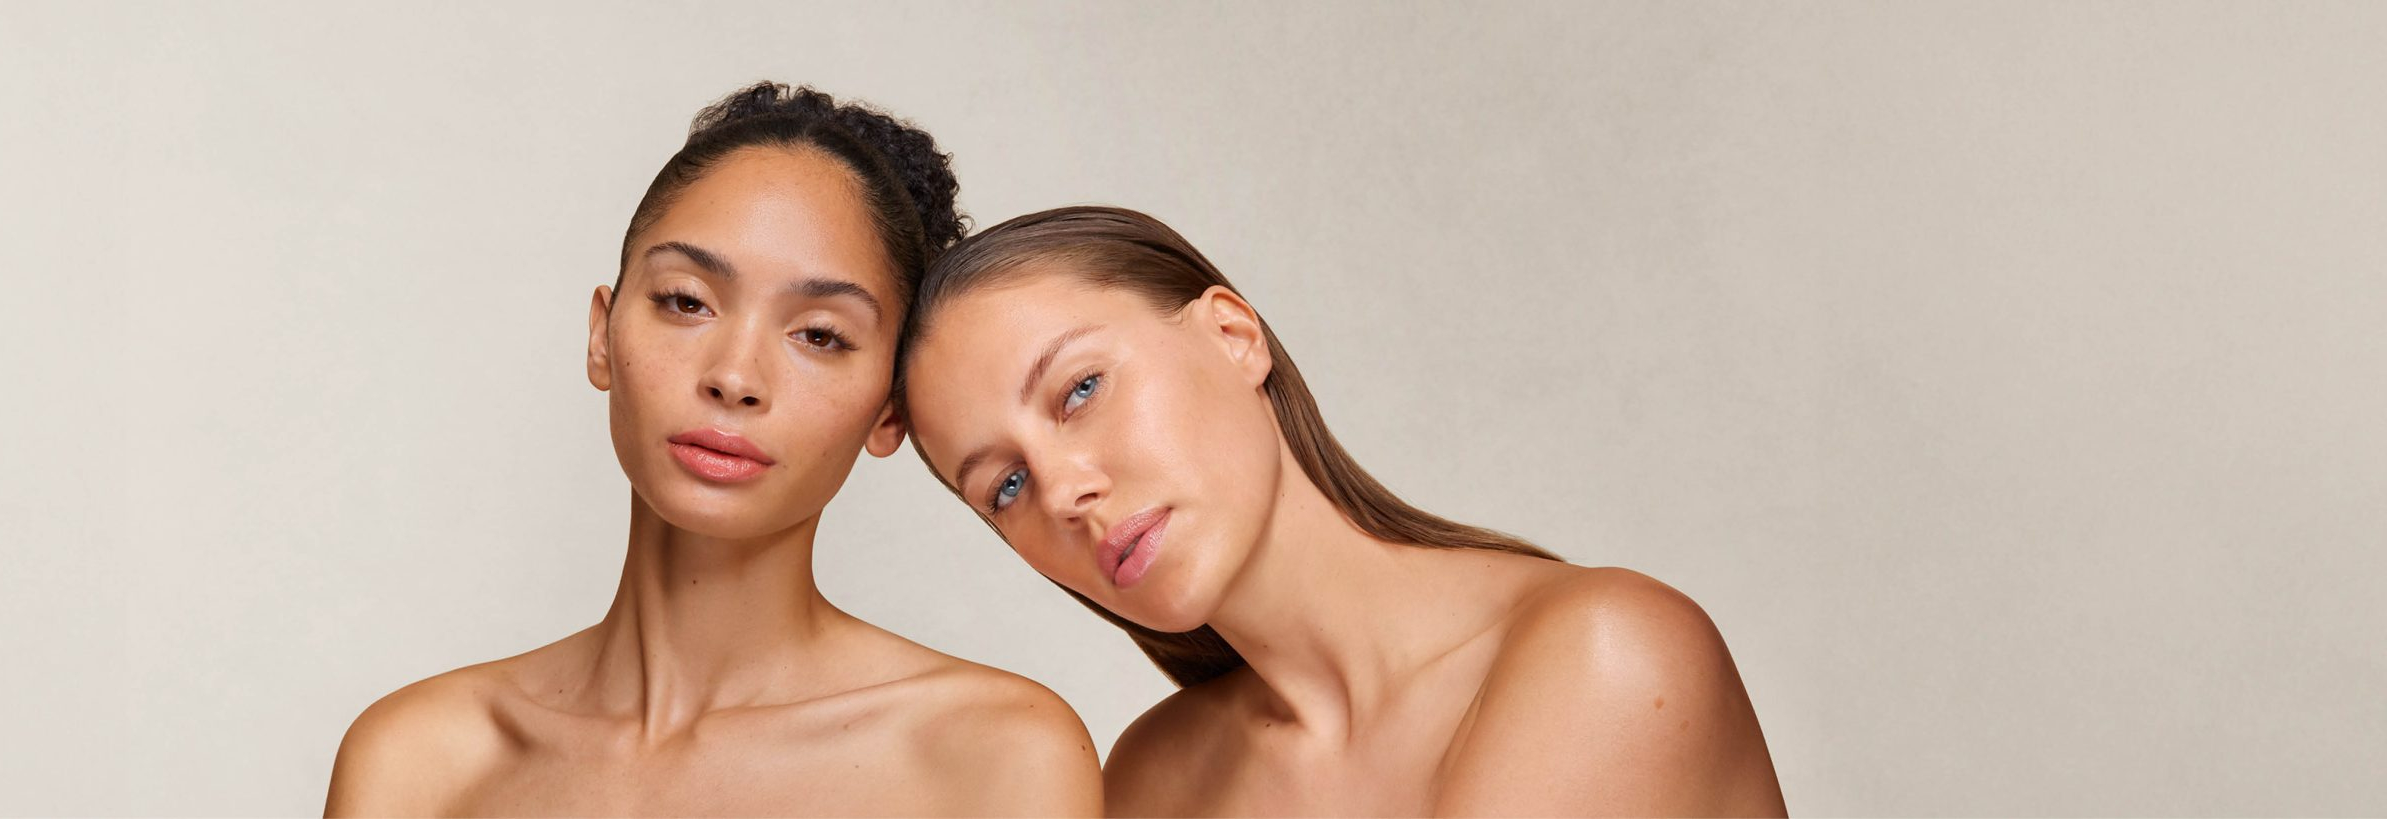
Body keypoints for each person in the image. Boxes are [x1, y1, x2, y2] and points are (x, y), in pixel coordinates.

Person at [323, 84, 1102, 816]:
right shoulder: (418, 763)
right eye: (686, 301)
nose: (734, 377)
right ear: (602, 335)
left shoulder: (992, 758)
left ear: (890, 412)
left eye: (819, 335)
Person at [896, 205, 1786, 816]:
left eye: (1081, 388)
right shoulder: (1153, 779)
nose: (1062, 491)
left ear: (1232, 335)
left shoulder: (1607, 654)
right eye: (1004, 486)